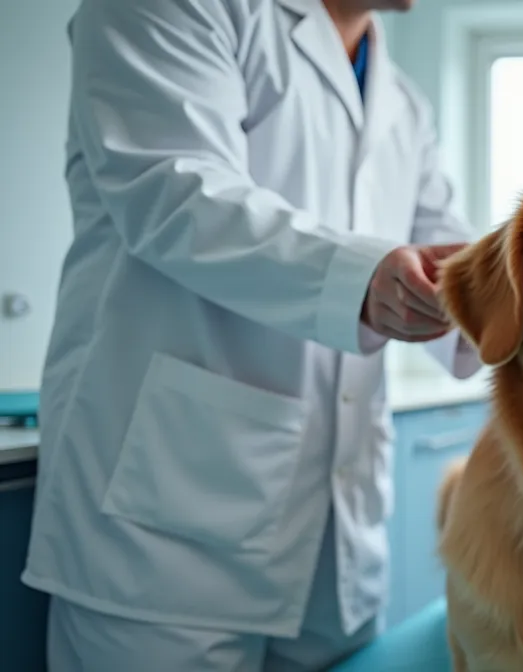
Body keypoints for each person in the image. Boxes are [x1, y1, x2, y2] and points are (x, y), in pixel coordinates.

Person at [23, 0, 483, 668]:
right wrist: (364, 277)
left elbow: (456, 264)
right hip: (168, 540)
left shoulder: (403, 102)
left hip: (338, 544)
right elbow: (174, 193)